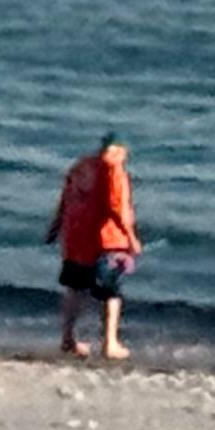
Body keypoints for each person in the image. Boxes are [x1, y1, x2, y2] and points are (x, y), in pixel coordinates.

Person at [48, 135, 140, 360]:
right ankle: (110, 343)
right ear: (118, 151)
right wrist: (131, 238)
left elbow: (65, 199)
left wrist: (55, 227)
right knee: (110, 292)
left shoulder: (80, 167)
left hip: (75, 236)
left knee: (75, 289)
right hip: (106, 240)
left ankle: (67, 339)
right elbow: (115, 208)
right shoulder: (113, 171)